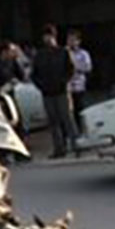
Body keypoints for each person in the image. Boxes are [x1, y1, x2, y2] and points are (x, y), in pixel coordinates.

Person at [31, 25, 77, 158]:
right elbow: (35, 74)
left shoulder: (63, 52)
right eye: (45, 36)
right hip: (47, 93)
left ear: (54, 37)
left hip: (62, 91)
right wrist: (41, 85)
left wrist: (64, 82)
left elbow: (71, 70)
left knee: (68, 119)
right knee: (53, 122)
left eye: (49, 36)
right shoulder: (39, 55)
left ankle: (76, 146)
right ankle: (59, 149)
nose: (47, 39)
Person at [66, 29, 92, 132]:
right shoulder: (64, 52)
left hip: (79, 86)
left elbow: (88, 67)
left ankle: (82, 130)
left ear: (78, 41)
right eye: (69, 40)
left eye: (73, 40)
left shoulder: (83, 54)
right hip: (67, 87)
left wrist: (76, 67)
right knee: (68, 112)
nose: (71, 42)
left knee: (80, 109)